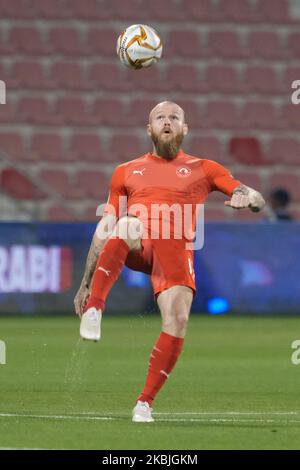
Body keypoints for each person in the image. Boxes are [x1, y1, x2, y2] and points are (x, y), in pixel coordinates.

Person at [74, 101, 265, 423]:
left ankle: (144, 403)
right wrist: (85, 284)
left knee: (178, 321)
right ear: (149, 129)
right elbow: (104, 227)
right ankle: (96, 309)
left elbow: (256, 197)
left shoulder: (206, 168)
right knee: (124, 224)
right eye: (159, 117)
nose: (167, 122)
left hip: (176, 254)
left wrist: (250, 200)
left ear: (184, 129)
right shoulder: (126, 170)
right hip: (139, 243)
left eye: (174, 117)